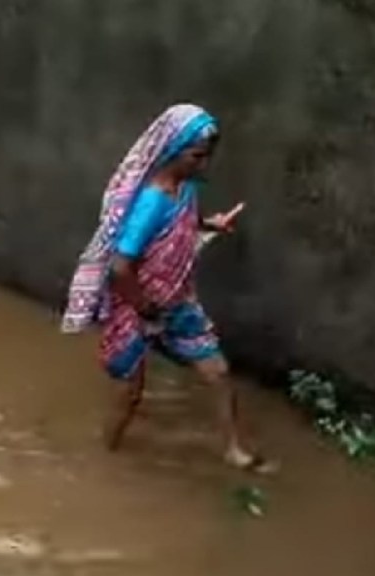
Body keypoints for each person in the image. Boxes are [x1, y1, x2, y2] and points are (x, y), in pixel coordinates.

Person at [61, 103, 273, 472]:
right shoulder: (152, 202)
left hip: (176, 303)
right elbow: (120, 267)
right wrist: (144, 308)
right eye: (197, 157)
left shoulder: (185, 188)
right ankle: (103, 459)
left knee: (218, 372)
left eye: (207, 157)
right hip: (139, 308)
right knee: (129, 396)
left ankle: (234, 449)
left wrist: (210, 225)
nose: (204, 165)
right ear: (173, 151)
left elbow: (179, 230)